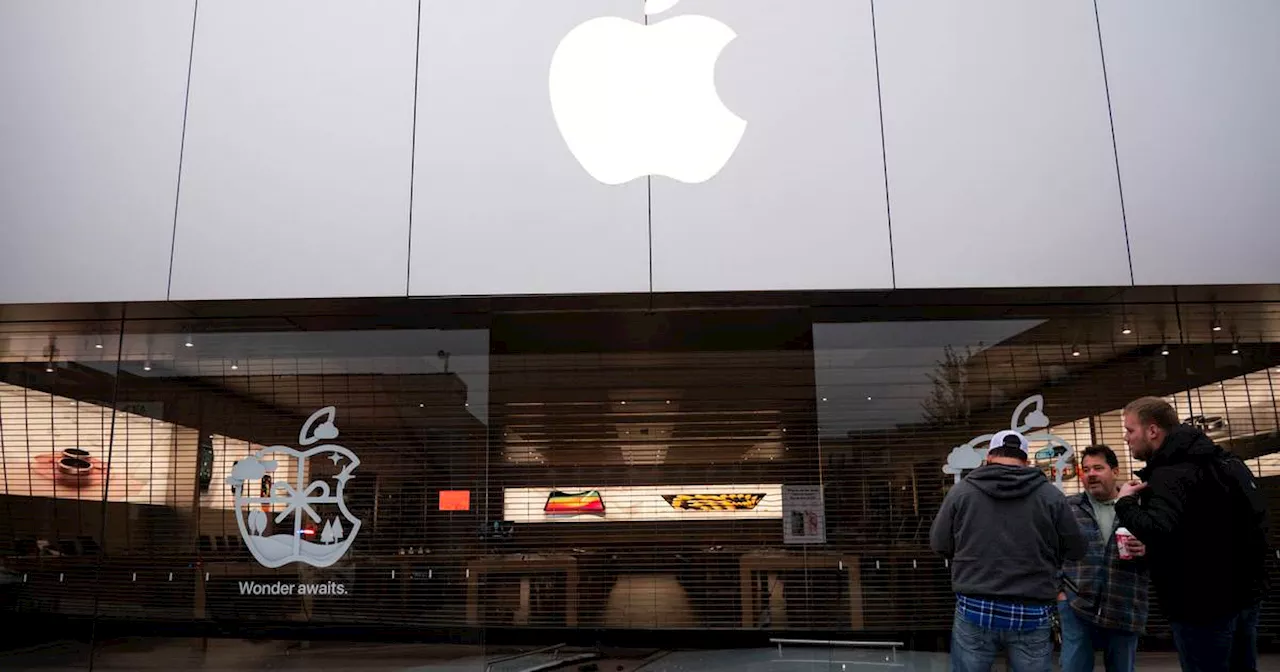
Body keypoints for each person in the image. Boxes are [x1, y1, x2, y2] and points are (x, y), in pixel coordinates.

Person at [1115, 397, 1269, 672]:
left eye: (1129, 430)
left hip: (1199, 604)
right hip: (1244, 596)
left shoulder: (1169, 474)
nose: (1126, 439)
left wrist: (1124, 503)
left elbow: (1160, 531)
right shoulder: (1221, 461)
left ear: (1152, 430)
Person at [931, 430, 1087, 672]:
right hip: (1032, 611)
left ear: (989, 457)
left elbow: (940, 544)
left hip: (975, 608)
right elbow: (1076, 549)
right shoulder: (1050, 496)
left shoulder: (962, 492)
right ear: (1025, 460)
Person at [1058, 444, 1150, 672]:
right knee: (1074, 666)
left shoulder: (1138, 507)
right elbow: (1049, 550)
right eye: (1086, 470)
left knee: (1122, 667)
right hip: (1076, 602)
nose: (1091, 474)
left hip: (1125, 600)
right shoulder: (1069, 508)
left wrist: (1148, 549)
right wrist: (1059, 592)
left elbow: (1167, 546)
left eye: (1098, 468)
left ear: (1115, 471)